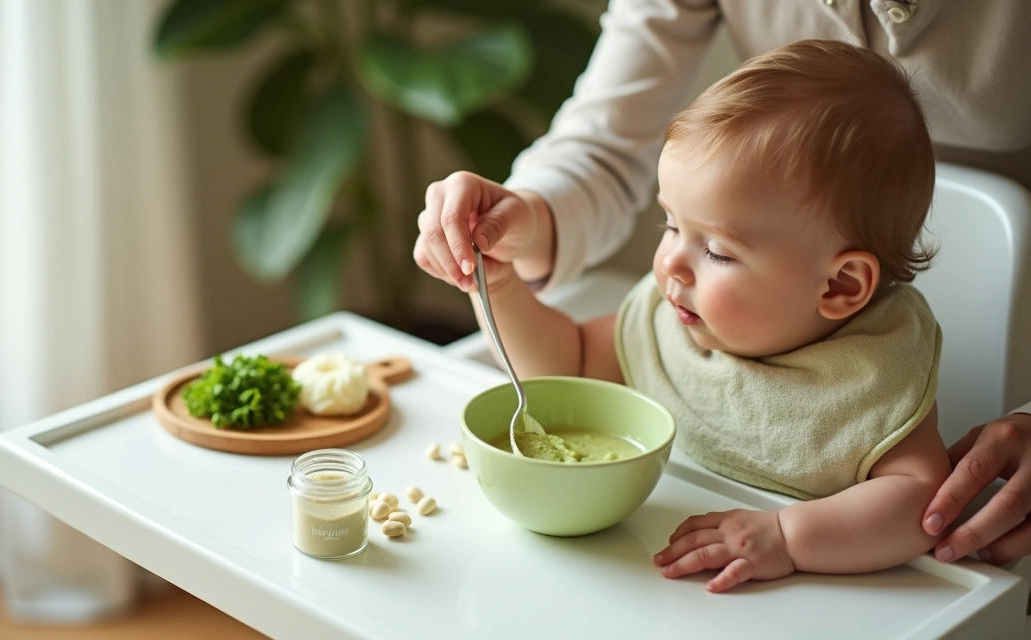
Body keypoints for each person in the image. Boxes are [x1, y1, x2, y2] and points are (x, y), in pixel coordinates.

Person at [413, 1, 1031, 568]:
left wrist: (787, 538)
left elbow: (917, 507)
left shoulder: (871, 372)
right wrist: (500, 286)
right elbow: (563, 362)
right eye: (670, 224)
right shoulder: (672, 322)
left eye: (715, 250)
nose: (671, 266)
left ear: (842, 286)